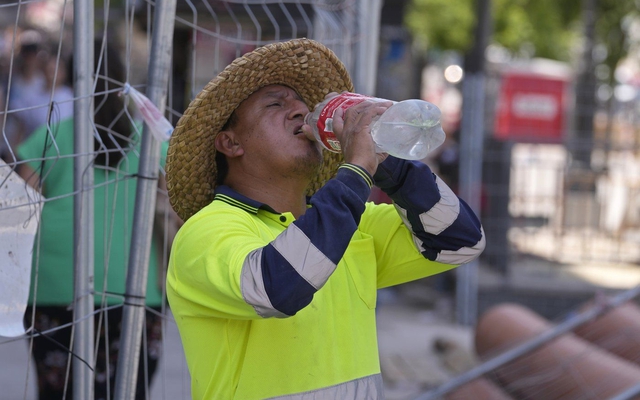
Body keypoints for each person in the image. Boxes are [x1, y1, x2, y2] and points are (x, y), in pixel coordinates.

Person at [165, 38, 485, 400]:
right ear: (230, 143)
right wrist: (357, 169)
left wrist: (386, 160)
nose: (300, 111)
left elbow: (461, 241)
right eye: (275, 104)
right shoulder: (207, 231)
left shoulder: (350, 221)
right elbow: (277, 288)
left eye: (302, 104)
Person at [17, 40, 167, 400]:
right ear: (123, 78)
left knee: (59, 393)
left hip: (54, 282)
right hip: (131, 282)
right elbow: (176, 202)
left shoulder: (52, 134)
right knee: (128, 391)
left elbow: (21, 204)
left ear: (70, 76)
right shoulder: (151, 140)